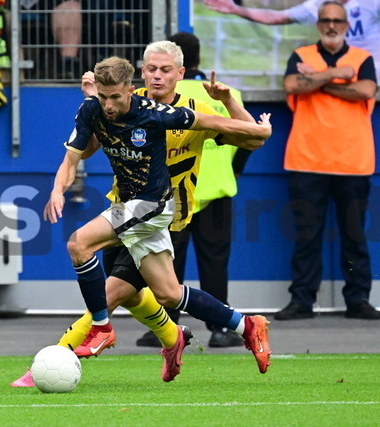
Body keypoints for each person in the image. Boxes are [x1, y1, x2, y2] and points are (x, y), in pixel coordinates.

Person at [12, 43, 273, 388]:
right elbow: (86, 149)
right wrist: (95, 103)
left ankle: (52, 362)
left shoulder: (188, 109)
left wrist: (228, 101)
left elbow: (251, 140)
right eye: (151, 69)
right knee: (159, 294)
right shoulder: (121, 100)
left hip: (161, 214)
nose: (157, 76)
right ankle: (212, 330)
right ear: (141, 72)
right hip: (123, 209)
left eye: (165, 70)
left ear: (180, 74)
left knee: (105, 289)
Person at [135, 32, 250, 349]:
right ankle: (221, 327)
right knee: (215, 261)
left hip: (173, 191)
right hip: (215, 188)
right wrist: (232, 171)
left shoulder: (159, 94)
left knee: (167, 261)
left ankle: (165, 327)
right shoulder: (224, 93)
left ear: (179, 66)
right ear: (198, 58)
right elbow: (246, 138)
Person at [275, 1, 380, 321]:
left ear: (347, 25)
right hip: (306, 160)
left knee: (354, 236)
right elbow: (292, 85)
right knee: (306, 237)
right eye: (325, 20)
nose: (331, 26)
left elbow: (365, 90)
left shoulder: (362, 58)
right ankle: (302, 300)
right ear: (318, 24)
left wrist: (317, 82)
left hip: (353, 161)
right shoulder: (301, 55)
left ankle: (358, 300)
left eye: (337, 20)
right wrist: (336, 75)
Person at [204, 0, 380, 86]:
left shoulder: (374, 2)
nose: (332, 25)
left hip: (373, 72)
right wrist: (236, 10)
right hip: (333, 73)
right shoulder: (316, 6)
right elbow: (277, 17)